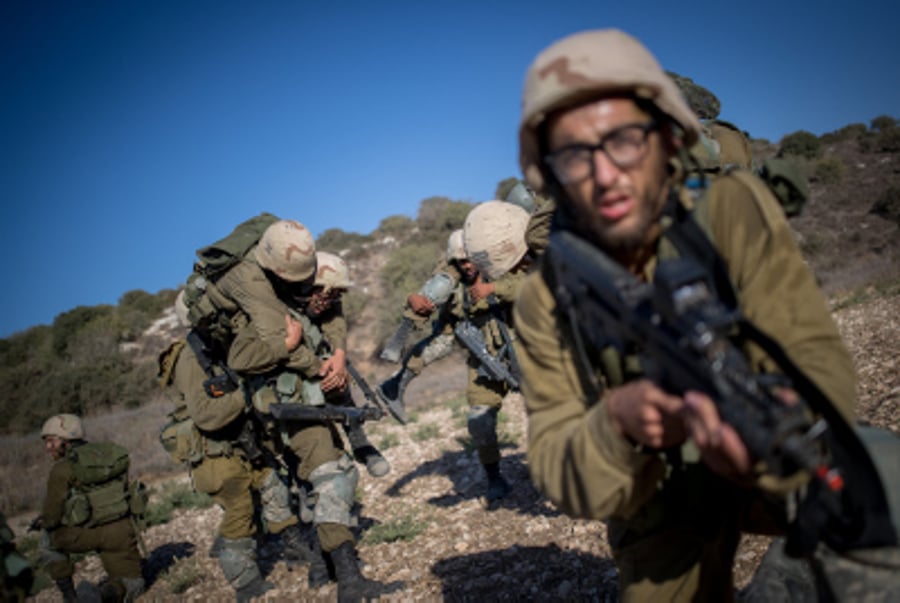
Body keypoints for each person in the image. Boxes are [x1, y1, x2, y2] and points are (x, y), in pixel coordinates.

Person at [512, 29, 859, 600]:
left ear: (668, 140)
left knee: (881, 493)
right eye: (575, 154)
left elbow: (818, 362)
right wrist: (619, 422)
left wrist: (773, 431)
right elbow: (556, 465)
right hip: (650, 489)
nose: (604, 175)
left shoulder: (733, 210)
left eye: (624, 140)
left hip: (768, 442)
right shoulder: (546, 296)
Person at [198, 219, 402, 602]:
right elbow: (242, 357)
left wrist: (337, 357)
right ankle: (350, 581)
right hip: (287, 409)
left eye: (332, 294)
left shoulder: (314, 305)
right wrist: (295, 352)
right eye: (322, 293)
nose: (327, 300)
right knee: (331, 478)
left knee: (319, 484)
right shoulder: (265, 309)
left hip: (307, 406)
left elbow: (334, 319)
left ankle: (322, 567)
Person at [158, 327, 328, 601]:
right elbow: (206, 415)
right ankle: (245, 582)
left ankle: (293, 547)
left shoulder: (217, 345)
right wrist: (247, 395)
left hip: (242, 438)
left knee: (274, 484)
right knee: (240, 510)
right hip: (213, 450)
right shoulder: (190, 357)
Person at [38, 414, 144, 602]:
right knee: (133, 584)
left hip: (84, 534)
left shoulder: (62, 469)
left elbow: (51, 517)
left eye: (51, 441)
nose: (48, 447)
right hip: (121, 531)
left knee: (47, 539)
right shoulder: (110, 453)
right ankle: (107, 593)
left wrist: (44, 521)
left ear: (65, 440)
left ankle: (71, 597)